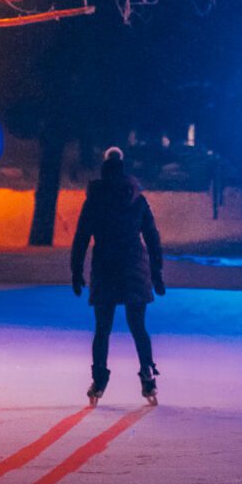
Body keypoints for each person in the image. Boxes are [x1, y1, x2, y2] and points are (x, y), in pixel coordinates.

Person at [70, 147, 165, 405]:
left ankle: (99, 380)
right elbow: (152, 237)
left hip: (105, 267)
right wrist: (156, 272)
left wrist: (76, 269)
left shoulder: (94, 200)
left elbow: (81, 237)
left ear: (103, 170)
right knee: (138, 327)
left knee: (103, 328)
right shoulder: (137, 199)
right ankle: (147, 376)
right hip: (134, 266)